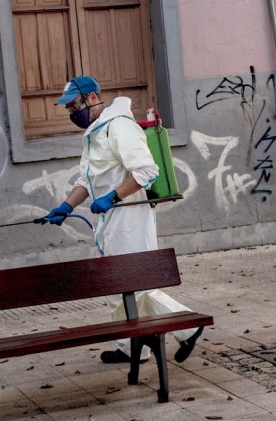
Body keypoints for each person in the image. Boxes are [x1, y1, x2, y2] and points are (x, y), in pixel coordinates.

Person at [44, 75, 203, 364]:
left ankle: (189, 326)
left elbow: (146, 171)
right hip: (110, 219)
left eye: (74, 105)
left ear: (93, 98)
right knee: (117, 283)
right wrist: (66, 206)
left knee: (136, 282)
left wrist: (112, 197)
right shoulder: (96, 132)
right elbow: (87, 178)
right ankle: (130, 347)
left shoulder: (119, 126)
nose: (72, 113)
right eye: (68, 109)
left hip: (128, 217)